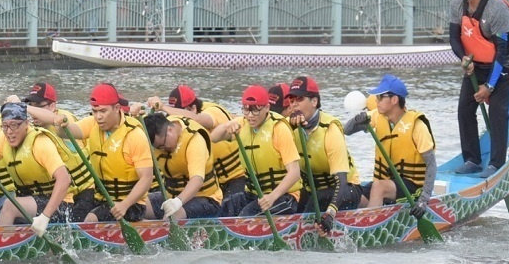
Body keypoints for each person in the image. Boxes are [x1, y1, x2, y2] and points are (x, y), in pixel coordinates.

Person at [29, 82, 153, 225]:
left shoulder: (135, 135)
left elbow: (146, 178)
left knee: (91, 219)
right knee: (69, 220)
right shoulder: (92, 124)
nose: (98, 117)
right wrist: (58, 122)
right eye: (94, 111)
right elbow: (65, 132)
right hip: (100, 198)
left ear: (117, 108)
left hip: (131, 204)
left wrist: (124, 205)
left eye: (103, 111)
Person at [449, 0, 509, 175]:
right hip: (475, 64)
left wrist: (489, 87)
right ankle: (472, 160)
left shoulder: (496, 9)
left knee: (497, 112)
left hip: (502, 64)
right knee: (464, 109)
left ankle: (496, 163)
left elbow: (502, 50)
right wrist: (464, 59)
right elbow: (454, 38)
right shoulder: (457, 4)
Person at [0, 102, 93, 233]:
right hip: (30, 203)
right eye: (5, 126)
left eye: (14, 125)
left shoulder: (40, 142)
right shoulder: (2, 139)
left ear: (26, 124)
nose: (9, 132)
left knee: (9, 205)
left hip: (60, 207)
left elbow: (64, 179)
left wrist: (44, 217)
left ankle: (0, 247)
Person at [344, 75, 435, 215]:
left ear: (394, 100)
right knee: (351, 192)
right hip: (388, 181)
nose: (376, 101)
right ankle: (365, 216)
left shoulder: (417, 125)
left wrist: (424, 199)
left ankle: (370, 225)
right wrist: (357, 120)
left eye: (380, 97)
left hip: (412, 186)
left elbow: (431, 164)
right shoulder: (377, 116)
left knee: (379, 187)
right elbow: (347, 130)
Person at [210, 84, 301, 217]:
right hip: (253, 194)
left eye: (255, 110)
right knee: (225, 208)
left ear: (267, 108)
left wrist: (272, 197)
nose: (250, 116)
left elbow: (294, 173)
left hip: (284, 197)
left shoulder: (279, 129)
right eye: (246, 110)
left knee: (246, 215)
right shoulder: (243, 123)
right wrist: (226, 126)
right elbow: (213, 137)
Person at [283, 75, 361, 225]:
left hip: (345, 190)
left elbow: (342, 182)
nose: (294, 104)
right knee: (296, 209)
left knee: (316, 200)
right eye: (291, 100)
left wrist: (330, 214)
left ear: (314, 101)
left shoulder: (330, 129)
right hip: (313, 190)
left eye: (299, 99)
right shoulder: (286, 126)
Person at [141, 111, 223, 221]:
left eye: (163, 145)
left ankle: (164, 231)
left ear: (170, 130)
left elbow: (197, 179)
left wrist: (178, 201)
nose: (162, 150)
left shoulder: (194, 141)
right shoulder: (161, 141)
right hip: (170, 197)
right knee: (136, 206)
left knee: (172, 216)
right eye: (158, 148)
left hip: (206, 199)